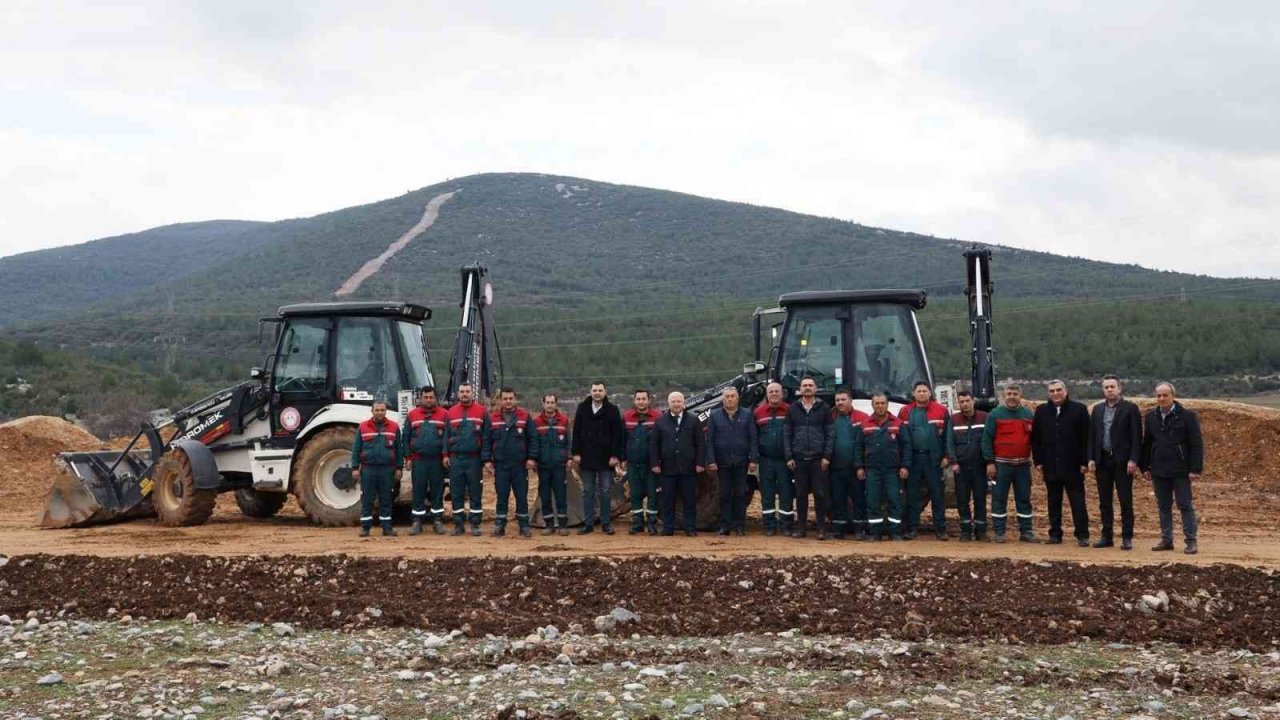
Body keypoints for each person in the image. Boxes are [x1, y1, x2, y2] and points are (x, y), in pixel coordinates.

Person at [1140, 382, 1203, 555]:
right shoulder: (1151, 417)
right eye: (1158, 395)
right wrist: (1144, 466)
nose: (1161, 398)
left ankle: (1191, 541)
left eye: (1165, 395)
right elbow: (1147, 443)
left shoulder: (1188, 416)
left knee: (1185, 505)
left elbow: (1196, 444)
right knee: (1163, 506)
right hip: (1158, 469)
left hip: (1180, 469)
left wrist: (1195, 469)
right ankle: (1166, 540)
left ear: (1173, 396)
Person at [1031, 380, 1091, 546]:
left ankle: (1082, 535)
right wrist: (1038, 461)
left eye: (1058, 390)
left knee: (1077, 502)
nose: (1055, 393)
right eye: (1052, 391)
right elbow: (1036, 439)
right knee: (1053, 502)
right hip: (1050, 465)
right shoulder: (1042, 411)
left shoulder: (1079, 410)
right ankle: (1055, 535)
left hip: (1073, 465)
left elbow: (1086, 438)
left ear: (1065, 391)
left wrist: (1085, 462)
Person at [1087, 375, 1142, 550]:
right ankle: (1107, 536)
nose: (1109, 390)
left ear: (1119, 388)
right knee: (1104, 501)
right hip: (1102, 460)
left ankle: (1127, 537)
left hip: (1123, 461)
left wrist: (1133, 459)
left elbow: (1136, 437)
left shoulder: (1130, 408)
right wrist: (1091, 458)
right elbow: (1092, 436)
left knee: (1125, 500)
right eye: (1106, 387)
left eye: (1112, 386)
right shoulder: (1097, 410)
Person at [898, 381, 955, 540]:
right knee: (912, 496)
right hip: (913, 459)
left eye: (924, 391)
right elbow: (901, 438)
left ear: (930, 393)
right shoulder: (905, 411)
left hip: (934, 460)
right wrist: (903, 461)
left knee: (937, 495)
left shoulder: (941, 411)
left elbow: (947, 437)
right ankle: (912, 529)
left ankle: (940, 530)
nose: (922, 393)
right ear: (913, 393)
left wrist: (946, 456)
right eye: (919, 391)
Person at [982, 384, 1037, 543]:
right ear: (1003, 395)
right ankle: (999, 532)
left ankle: (1026, 531)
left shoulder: (1027, 414)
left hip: (1023, 466)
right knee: (999, 498)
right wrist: (990, 462)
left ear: (1020, 395)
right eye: (1009, 393)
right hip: (1001, 466)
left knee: (1024, 498)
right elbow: (987, 440)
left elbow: (1034, 439)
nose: (1012, 396)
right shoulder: (995, 414)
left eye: (1015, 393)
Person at [649, 391, 705, 536]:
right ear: (669, 404)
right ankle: (668, 528)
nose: (676, 404)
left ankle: (690, 528)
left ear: (683, 403)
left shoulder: (693, 420)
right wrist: (655, 463)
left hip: (688, 468)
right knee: (667, 500)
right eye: (673, 401)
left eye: (679, 401)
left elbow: (700, 444)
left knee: (689, 500)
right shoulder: (660, 421)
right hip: (667, 469)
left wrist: (700, 463)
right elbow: (654, 444)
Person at [572, 382, 624, 535]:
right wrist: (576, 453)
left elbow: (618, 435)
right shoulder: (582, 408)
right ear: (590, 392)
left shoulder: (613, 410)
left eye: (600, 390)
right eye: (594, 390)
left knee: (605, 492)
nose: (597, 393)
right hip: (586, 458)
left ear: (605, 392)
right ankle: (588, 524)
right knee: (588, 491)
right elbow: (576, 431)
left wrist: (615, 456)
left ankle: (606, 523)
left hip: (606, 459)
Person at [705, 386, 758, 536]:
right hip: (722, 462)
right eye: (727, 396)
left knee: (740, 494)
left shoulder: (747, 415)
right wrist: (711, 460)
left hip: (742, 462)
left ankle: (740, 526)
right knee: (724, 494)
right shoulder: (714, 416)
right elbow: (710, 440)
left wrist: (753, 459)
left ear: (737, 398)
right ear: (723, 399)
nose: (729, 399)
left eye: (732, 396)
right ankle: (725, 526)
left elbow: (753, 438)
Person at [857, 392, 911, 540]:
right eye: (877, 403)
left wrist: (905, 466)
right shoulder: (865, 424)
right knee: (873, 501)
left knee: (895, 500)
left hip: (892, 470)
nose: (880, 406)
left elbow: (906, 446)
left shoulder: (897, 423)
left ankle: (895, 532)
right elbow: (858, 447)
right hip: (872, 470)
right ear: (872, 405)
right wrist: (860, 467)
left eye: (882, 403)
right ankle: (875, 532)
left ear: (887, 405)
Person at [786, 377, 833, 539]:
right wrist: (789, 456)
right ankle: (801, 528)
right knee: (800, 495)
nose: (807, 388)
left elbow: (830, 434)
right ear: (800, 389)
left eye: (810, 385)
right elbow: (787, 434)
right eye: (804, 385)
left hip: (818, 459)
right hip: (799, 459)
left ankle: (821, 528)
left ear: (815, 389)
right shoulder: (793, 409)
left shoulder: (824, 408)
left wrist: (827, 456)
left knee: (820, 495)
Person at [350, 400, 403, 537]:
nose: (380, 412)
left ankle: (387, 528)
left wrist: (399, 468)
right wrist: (355, 467)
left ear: (386, 411)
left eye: (382, 410)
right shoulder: (362, 427)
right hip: (368, 469)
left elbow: (399, 449)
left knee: (386, 499)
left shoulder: (394, 427)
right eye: (377, 410)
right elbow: (356, 449)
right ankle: (365, 528)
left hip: (387, 470)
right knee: (367, 499)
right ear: (372, 411)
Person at [444, 383, 490, 537]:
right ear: (458, 394)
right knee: (456, 492)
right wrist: (445, 455)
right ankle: (458, 524)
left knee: (475, 492)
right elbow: (446, 437)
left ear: (472, 393)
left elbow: (486, 437)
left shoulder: (482, 412)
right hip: (456, 459)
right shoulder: (450, 412)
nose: (465, 394)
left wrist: (486, 459)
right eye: (462, 391)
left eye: (467, 391)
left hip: (474, 459)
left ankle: (475, 524)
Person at [487, 388, 532, 537]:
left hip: (520, 465)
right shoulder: (493, 418)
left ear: (515, 399)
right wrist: (487, 460)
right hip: (501, 465)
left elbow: (533, 439)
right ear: (500, 400)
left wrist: (532, 458)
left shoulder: (525, 417)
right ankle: (500, 525)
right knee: (502, 497)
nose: (508, 401)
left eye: (510, 398)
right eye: (505, 399)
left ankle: (524, 526)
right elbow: (487, 441)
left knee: (521, 497)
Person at [403, 386, 447, 535]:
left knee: (437, 490)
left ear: (435, 398)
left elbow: (447, 438)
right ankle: (417, 522)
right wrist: (408, 457)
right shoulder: (412, 415)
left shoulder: (444, 415)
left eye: (431, 397)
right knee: (418, 490)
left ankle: (437, 521)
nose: (428, 400)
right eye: (426, 397)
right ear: (420, 398)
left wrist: (446, 455)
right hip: (418, 460)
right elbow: (406, 437)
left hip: (437, 460)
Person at [753, 382, 793, 536]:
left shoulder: (790, 411)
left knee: (786, 492)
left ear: (782, 393)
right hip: (766, 460)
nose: (774, 394)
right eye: (771, 392)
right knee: (767, 493)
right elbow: (754, 438)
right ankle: (769, 525)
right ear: (767, 395)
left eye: (777, 391)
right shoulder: (758, 412)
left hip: (785, 460)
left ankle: (786, 525)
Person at [829, 388, 868, 540]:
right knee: (838, 499)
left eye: (843, 399)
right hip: (836, 467)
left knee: (858, 499)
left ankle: (860, 530)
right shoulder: (830, 418)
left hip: (855, 468)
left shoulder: (862, 418)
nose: (840, 403)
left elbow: (866, 443)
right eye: (837, 400)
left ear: (851, 401)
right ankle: (839, 530)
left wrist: (862, 465)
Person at [529, 394, 571, 536]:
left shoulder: (564, 421)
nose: (550, 405)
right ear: (543, 403)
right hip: (543, 466)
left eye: (552, 402)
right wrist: (533, 459)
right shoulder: (537, 422)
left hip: (559, 465)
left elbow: (568, 443)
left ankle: (563, 525)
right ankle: (549, 524)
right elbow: (534, 443)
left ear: (556, 404)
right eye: (547, 402)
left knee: (561, 496)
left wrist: (569, 458)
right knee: (545, 496)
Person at [950, 389, 989, 542]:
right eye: (962, 402)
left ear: (973, 401)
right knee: (962, 499)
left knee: (980, 499)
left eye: (967, 401)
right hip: (961, 467)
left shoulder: (984, 417)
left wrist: (989, 462)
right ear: (958, 403)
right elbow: (949, 442)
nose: (965, 404)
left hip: (980, 466)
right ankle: (965, 531)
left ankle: (981, 531)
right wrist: (953, 461)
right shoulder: (953, 419)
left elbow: (988, 441)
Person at [621, 390, 661, 535]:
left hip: (651, 464)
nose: (641, 401)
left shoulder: (657, 416)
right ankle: (637, 523)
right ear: (634, 400)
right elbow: (622, 439)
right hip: (633, 463)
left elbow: (661, 440)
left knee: (653, 494)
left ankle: (652, 523)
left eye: (644, 399)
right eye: (638, 399)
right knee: (635, 494)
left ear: (649, 400)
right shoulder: (626, 417)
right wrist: (622, 458)